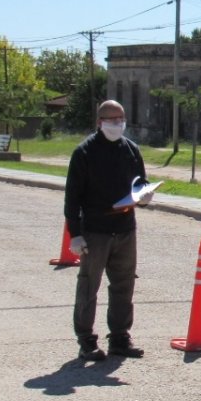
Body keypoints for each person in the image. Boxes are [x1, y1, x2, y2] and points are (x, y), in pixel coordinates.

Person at [63, 99, 150, 361]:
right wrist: (75, 233)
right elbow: (72, 198)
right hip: (95, 231)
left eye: (121, 119)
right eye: (112, 120)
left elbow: (140, 184)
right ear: (100, 122)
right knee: (89, 285)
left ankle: (120, 337)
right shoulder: (84, 153)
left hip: (125, 228)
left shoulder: (131, 150)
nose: (117, 124)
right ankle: (86, 339)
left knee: (124, 284)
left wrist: (144, 196)